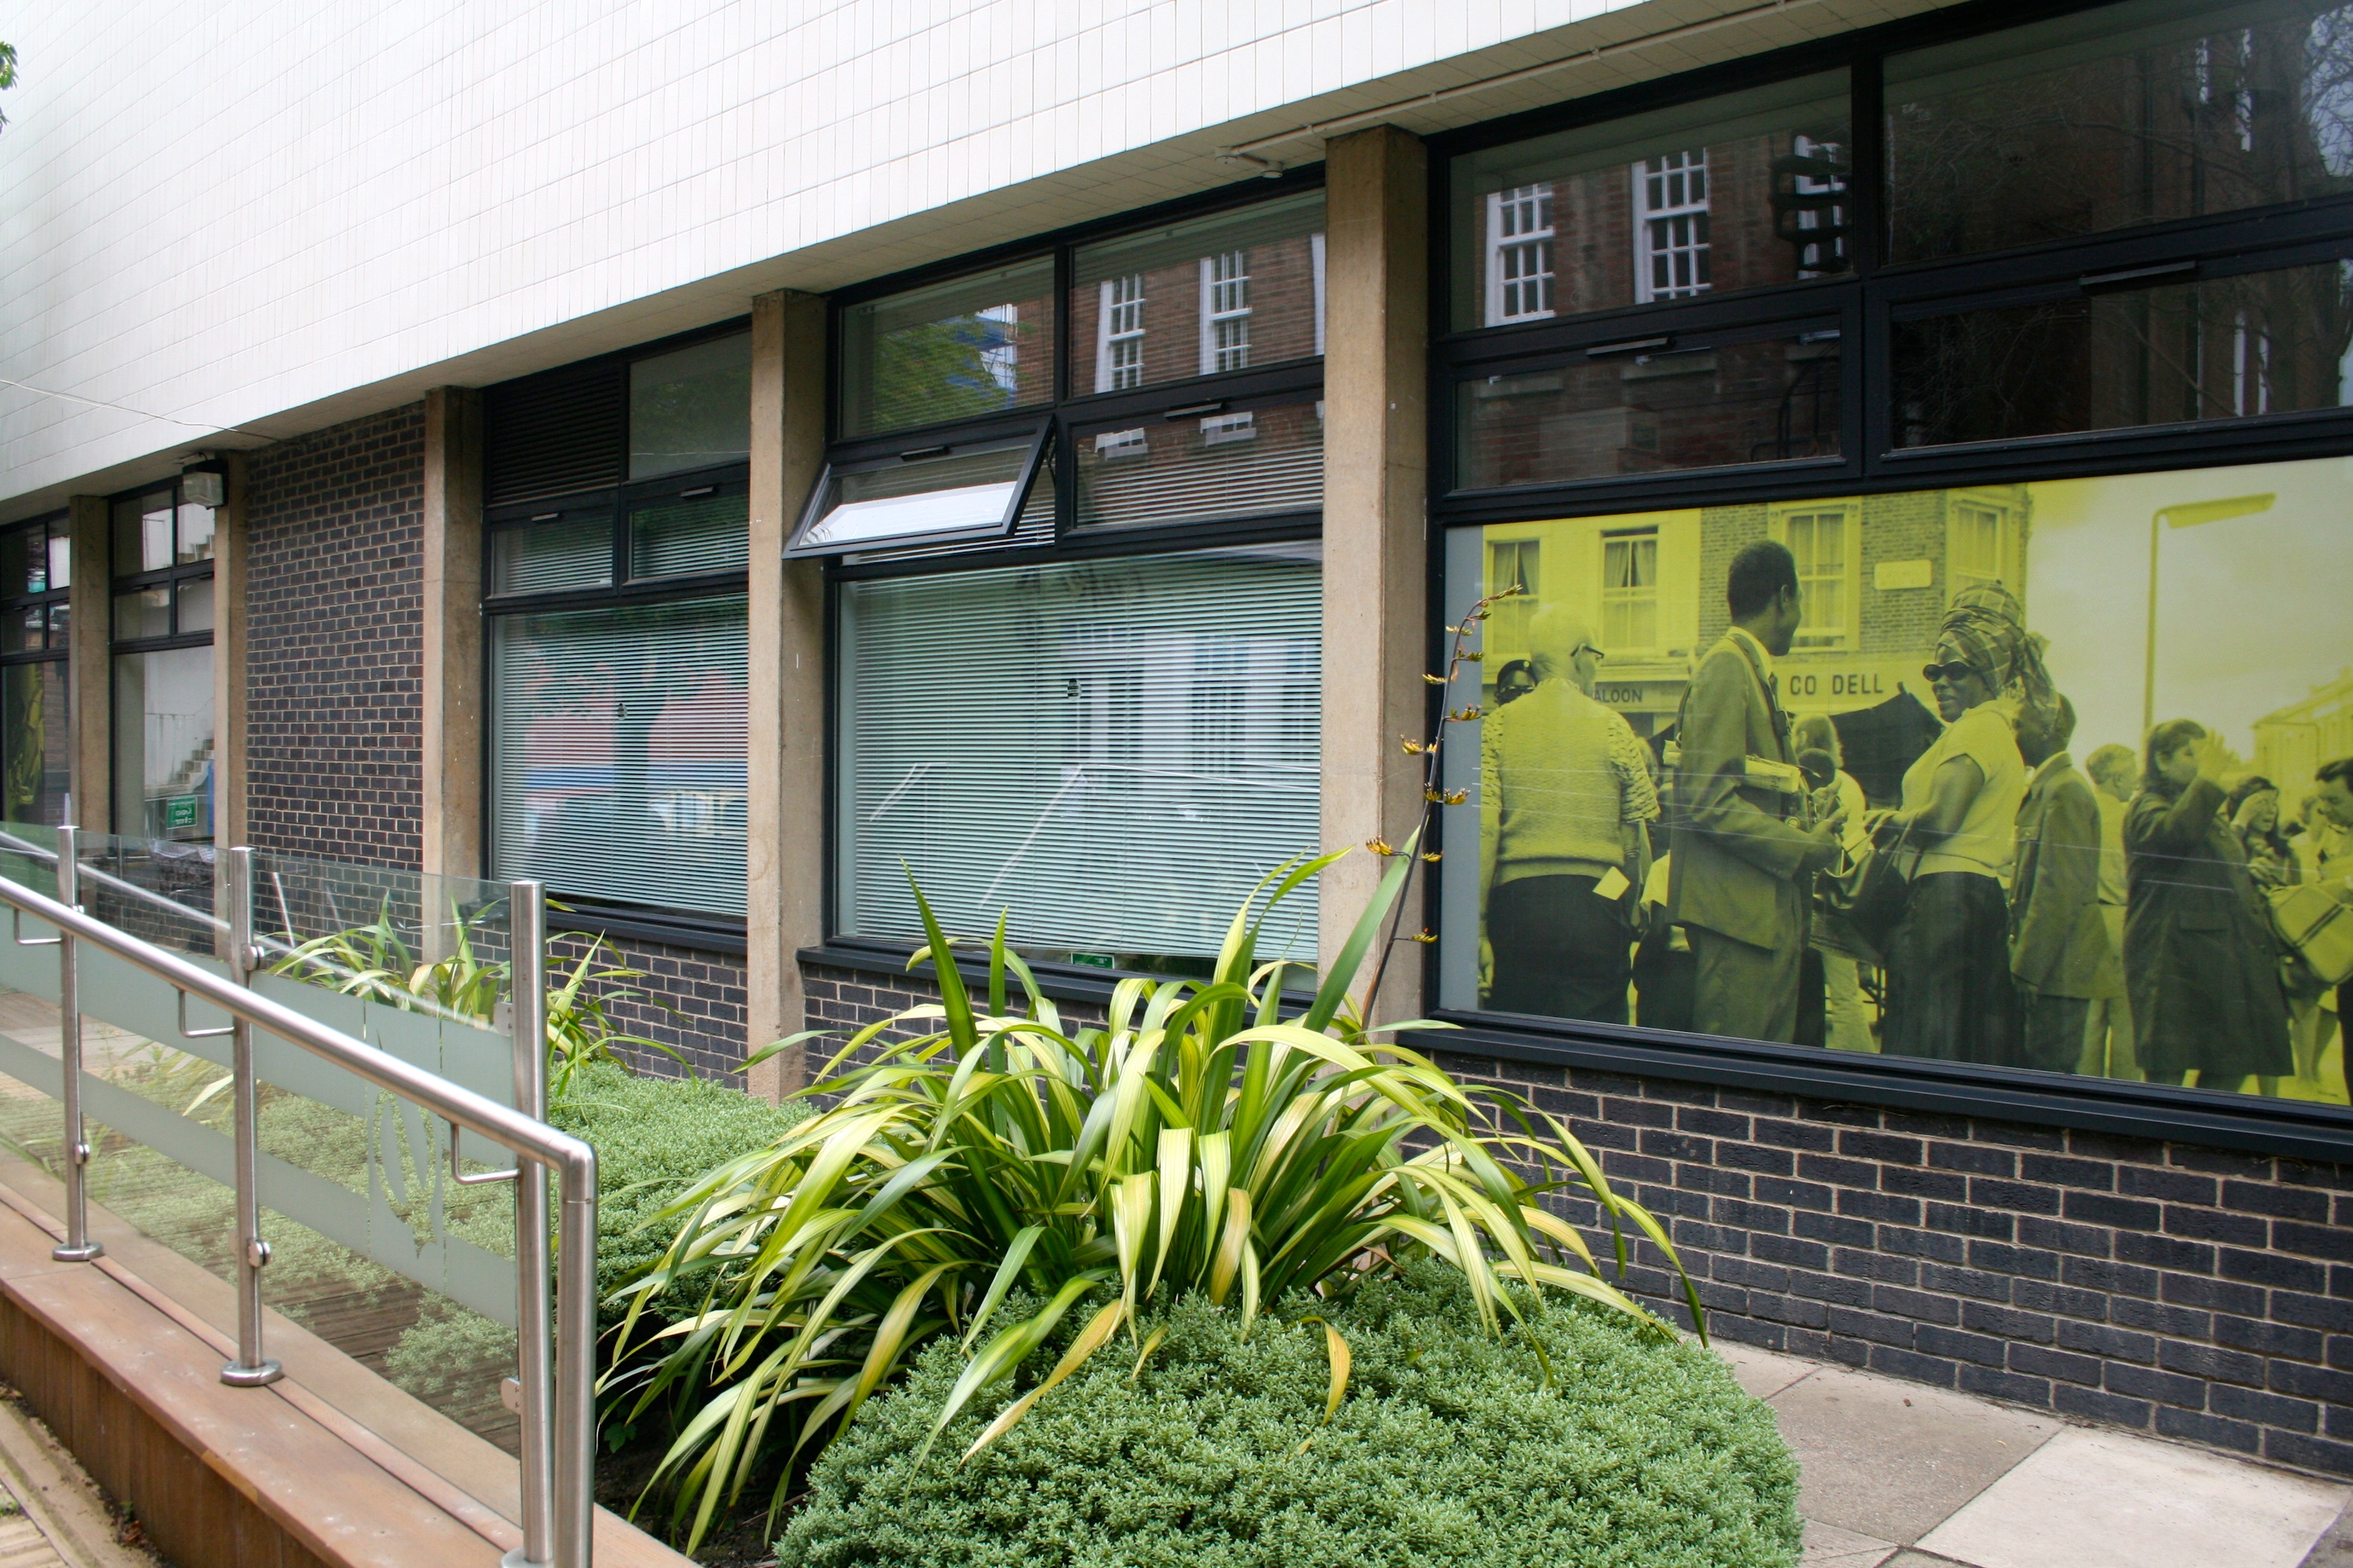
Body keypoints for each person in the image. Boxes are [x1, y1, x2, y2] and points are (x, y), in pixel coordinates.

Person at [1668, 541, 1845, 1043]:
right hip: (1738, 924)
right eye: (1800, 602)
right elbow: (1706, 801)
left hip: (1754, 920)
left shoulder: (1743, 668)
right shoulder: (1727, 667)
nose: (1800, 617)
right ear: (1783, 597)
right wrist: (1803, 847)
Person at [1877, 583, 2042, 1065]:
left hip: (1945, 901)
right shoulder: (1994, 730)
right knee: (1963, 1040)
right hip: (1973, 899)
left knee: (1931, 1041)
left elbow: (1941, 820)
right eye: (1934, 671)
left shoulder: (1975, 727)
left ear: (1988, 674)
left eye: (1956, 671)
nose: (1939, 682)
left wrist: (1891, 821)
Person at [1480, 606, 1657, 1024]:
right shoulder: (1613, 727)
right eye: (1595, 655)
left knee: (1519, 1036)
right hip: (1595, 904)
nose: (1595, 666)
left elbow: (1485, 831)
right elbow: (1635, 841)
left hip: (1518, 906)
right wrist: (1621, 904)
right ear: (1579, 655)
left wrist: (1479, 928)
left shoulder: (1499, 726)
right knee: (1594, 1042)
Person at [2126, 721, 2292, 1095]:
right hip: (2173, 962)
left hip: (2213, 961)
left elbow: (2201, 855)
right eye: (2191, 755)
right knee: (2168, 1074)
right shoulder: (2147, 806)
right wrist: (2212, 780)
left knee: (2231, 1064)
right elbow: (2173, 835)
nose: (2202, 765)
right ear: (2161, 761)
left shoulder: (2201, 810)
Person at [2008, 696, 2110, 1075]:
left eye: (2020, 724)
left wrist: (2026, 969)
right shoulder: (2052, 786)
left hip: (2057, 968)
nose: (2013, 733)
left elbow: (2058, 889)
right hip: (2052, 965)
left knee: (2047, 1076)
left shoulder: (2064, 790)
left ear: (2049, 730)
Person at [1795, 712, 1875, 1053]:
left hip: (1821, 894)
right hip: (1844, 893)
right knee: (1845, 992)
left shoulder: (1817, 782)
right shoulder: (1851, 784)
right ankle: (1858, 1058)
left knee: (1829, 990)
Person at [2079, 743, 2139, 1079]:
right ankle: (2124, 1091)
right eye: (2132, 774)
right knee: (2126, 1018)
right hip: (2120, 917)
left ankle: (2084, 1089)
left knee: (2091, 1019)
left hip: (2088, 919)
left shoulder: (2083, 808)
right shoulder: (2126, 817)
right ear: (2117, 778)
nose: (2136, 781)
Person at [2311, 757, 2353, 1101]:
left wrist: (2347, 884)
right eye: (2321, 800)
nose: (2324, 810)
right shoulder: (2336, 838)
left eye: (2334, 800)